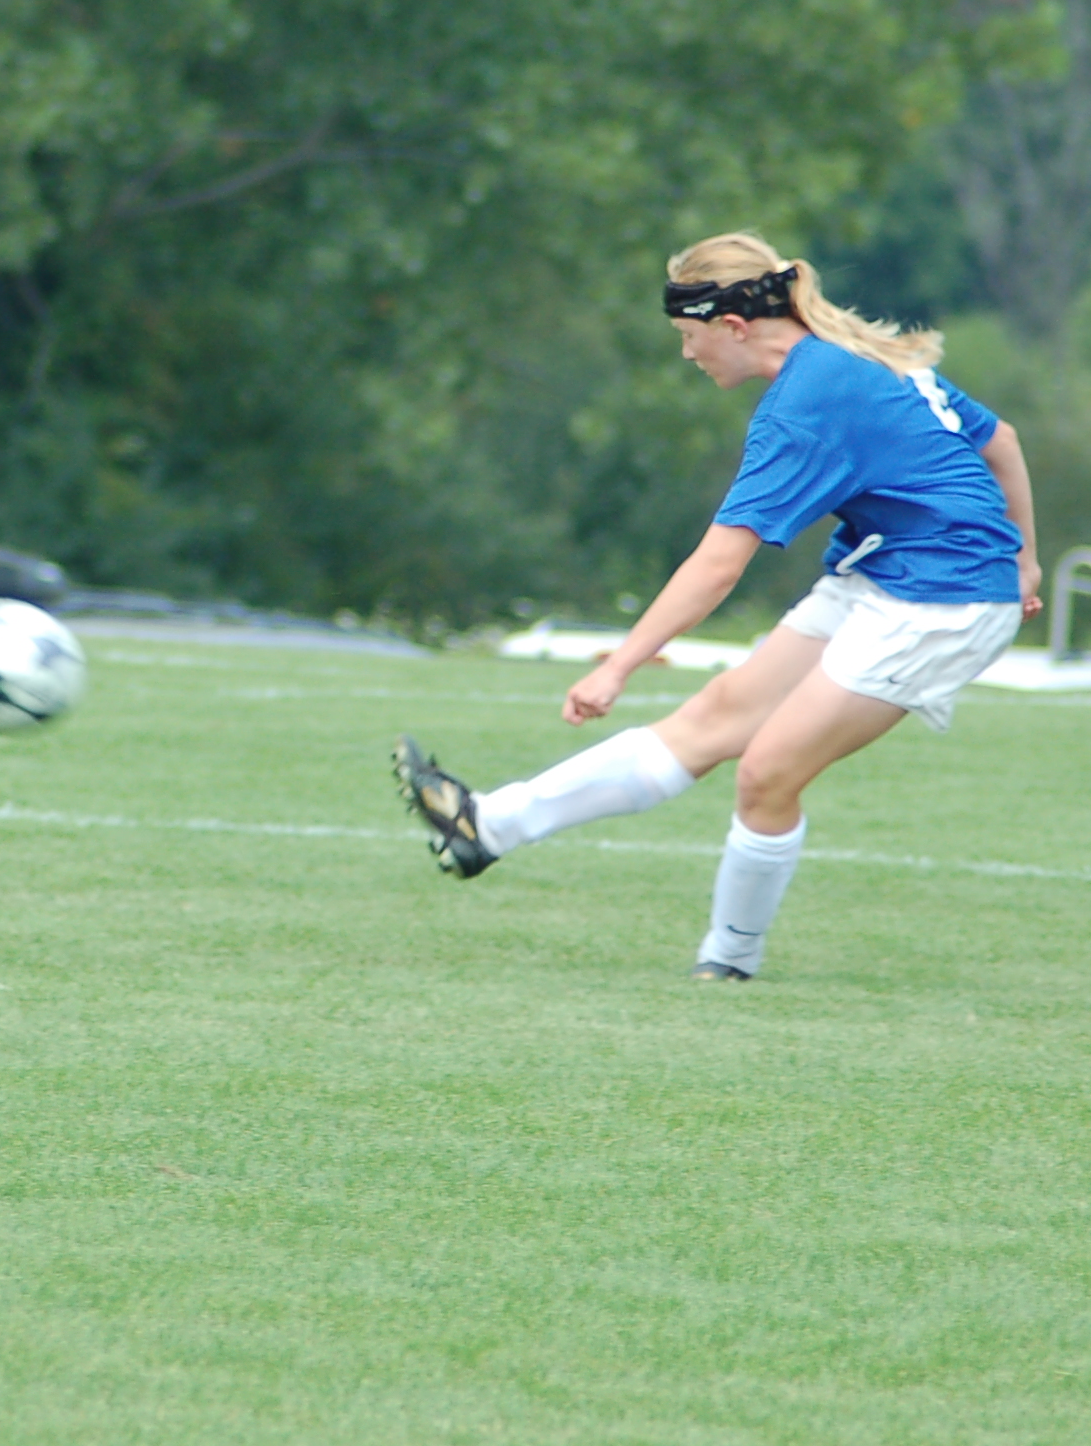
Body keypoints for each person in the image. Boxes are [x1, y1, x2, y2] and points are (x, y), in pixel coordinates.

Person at [394, 231, 1042, 982]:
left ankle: (728, 965)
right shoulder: (853, 358)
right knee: (713, 719)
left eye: (687, 335)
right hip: (888, 574)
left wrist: (619, 665)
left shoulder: (805, 403)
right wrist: (1026, 558)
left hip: (944, 600)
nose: (686, 354)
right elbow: (1002, 441)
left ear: (732, 327)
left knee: (766, 772)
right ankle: (488, 826)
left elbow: (717, 567)